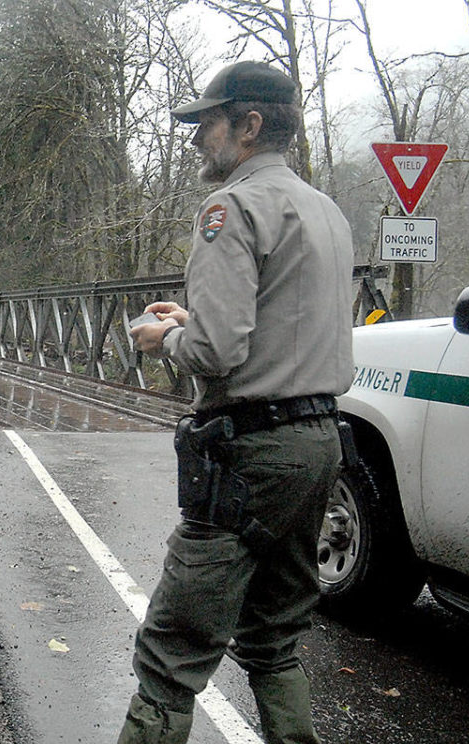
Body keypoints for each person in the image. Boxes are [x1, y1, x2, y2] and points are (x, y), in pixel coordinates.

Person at [120, 61, 355, 744]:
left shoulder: (232, 206)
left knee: (171, 652)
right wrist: (193, 320)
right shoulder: (326, 210)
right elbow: (285, 331)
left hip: (249, 456)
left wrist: (163, 337)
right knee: (274, 639)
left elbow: (219, 357)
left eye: (206, 123)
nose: (196, 138)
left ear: (248, 125)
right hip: (317, 445)